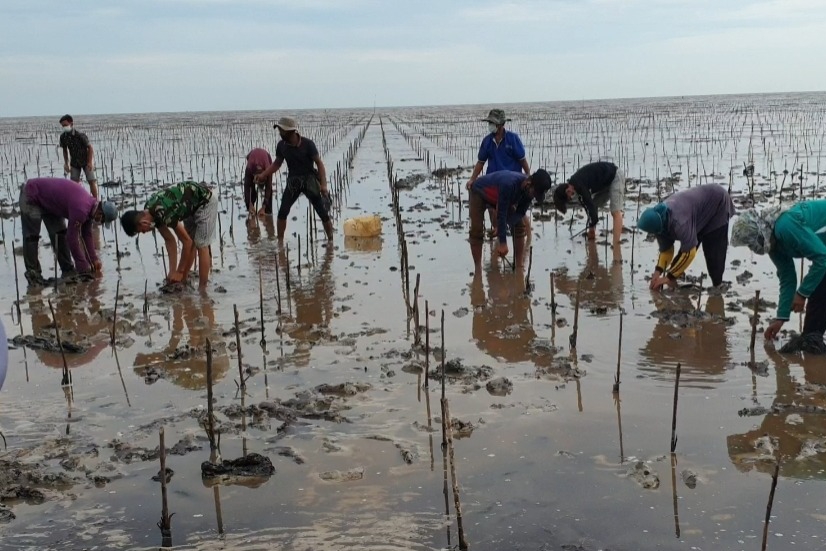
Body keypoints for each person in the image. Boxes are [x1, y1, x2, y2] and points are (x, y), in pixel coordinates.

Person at [731, 201, 826, 344]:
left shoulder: (785, 226)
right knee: (817, 300)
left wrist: (802, 293)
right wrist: (780, 318)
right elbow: (787, 277)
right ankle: (812, 348)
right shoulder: (773, 244)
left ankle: (812, 345)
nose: (752, 248)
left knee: (818, 293)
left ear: (759, 232)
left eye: (751, 243)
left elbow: (822, 258)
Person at [120, 181, 219, 290]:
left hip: (205, 202)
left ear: (143, 223)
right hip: (190, 208)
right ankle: (183, 280)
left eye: (141, 231)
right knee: (192, 242)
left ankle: (202, 289)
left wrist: (179, 271)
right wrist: (172, 272)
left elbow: (186, 242)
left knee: (201, 244)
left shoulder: (163, 213)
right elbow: (169, 240)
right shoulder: (150, 211)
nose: (144, 232)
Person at [20, 177, 118, 286]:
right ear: (100, 214)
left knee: (59, 234)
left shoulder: (91, 208)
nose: (99, 222)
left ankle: (68, 270)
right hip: (32, 194)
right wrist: (82, 264)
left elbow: (87, 235)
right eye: (102, 220)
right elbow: (72, 238)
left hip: (50, 202)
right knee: (32, 238)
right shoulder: (81, 209)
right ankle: (33, 275)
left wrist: (93, 259)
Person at [637, 184, 734, 291]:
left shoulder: (680, 223)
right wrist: (657, 272)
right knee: (676, 265)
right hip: (696, 211)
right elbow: (666, 251)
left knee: (713, 250)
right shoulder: (659, 223)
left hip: (718, 201)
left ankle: (718, 287)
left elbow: (689, 253)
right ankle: (673, 285)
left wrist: (667, 278)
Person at [254, 117, 333, 241]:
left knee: (322, 213)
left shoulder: (308, 144)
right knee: (282, 212)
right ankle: (280, 242)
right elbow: (277, 163)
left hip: (309, 180)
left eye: (282, 131)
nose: (280, 133)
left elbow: (319, 164)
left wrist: (323, 185)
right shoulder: (281, 146)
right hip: (293, 182)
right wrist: (263, 174)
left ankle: (331, 242)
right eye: (279, 130)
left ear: (291, 131)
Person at [469, 169, 552, 272]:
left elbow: (520, 212)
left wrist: (502, 227)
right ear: (529, 183)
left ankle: (519, 266)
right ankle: (478, 269)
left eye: (536, 195)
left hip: (501, 196)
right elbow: (502, 214)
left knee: (520, 226)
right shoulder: (509, 184)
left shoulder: (529, 192)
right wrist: (503, 243)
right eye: (534, 193)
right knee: (476, 231)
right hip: (480, 192)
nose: (533, 196)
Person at [466, 109, 531, 239]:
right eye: (489, 122)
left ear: (500, 125)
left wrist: (529, 177)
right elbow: (481, 162)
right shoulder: (487, 141)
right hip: (493, 181)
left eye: (492, 123)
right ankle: (498, 232)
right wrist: (472, 179)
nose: (490, 125)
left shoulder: (513, 139)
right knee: (493, 210)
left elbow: (522, 160)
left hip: (511, 183)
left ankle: (526, 236)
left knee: (517, 213)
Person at [552, 161, 625, 244]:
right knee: (595, 205)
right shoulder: (576, 187)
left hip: (615, 176)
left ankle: (616, 244)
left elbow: (588, 203)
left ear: (567, 190)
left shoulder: (579, 185)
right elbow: (588, 207)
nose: (571, 197)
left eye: (569, 197)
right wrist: (591, 227)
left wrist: (593, 222)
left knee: (615, 211)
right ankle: (593, 232)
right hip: (605, 183)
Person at [59, 114, 99, 198]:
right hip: (74, 163)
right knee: (73, 184)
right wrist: (66, 163)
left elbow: (90, 148)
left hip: (85, 161)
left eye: (65, 125)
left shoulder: (80, 135)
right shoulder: (63, 137)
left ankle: (96, 201)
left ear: (71, 124)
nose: (64, 127)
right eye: (62, 126)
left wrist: (90, 162)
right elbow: (65, 150)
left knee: (91, 181)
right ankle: (76, 200)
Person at [244, 148, 273, 217]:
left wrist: (263, 207)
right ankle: (251, 209)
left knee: (269, 190)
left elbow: (268, 187)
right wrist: (249, 204)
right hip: (251, 155)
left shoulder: (268, 169)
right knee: (251, 188)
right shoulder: (249, 168)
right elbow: (247, 187)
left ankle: (267, 210)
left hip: (266, 156)